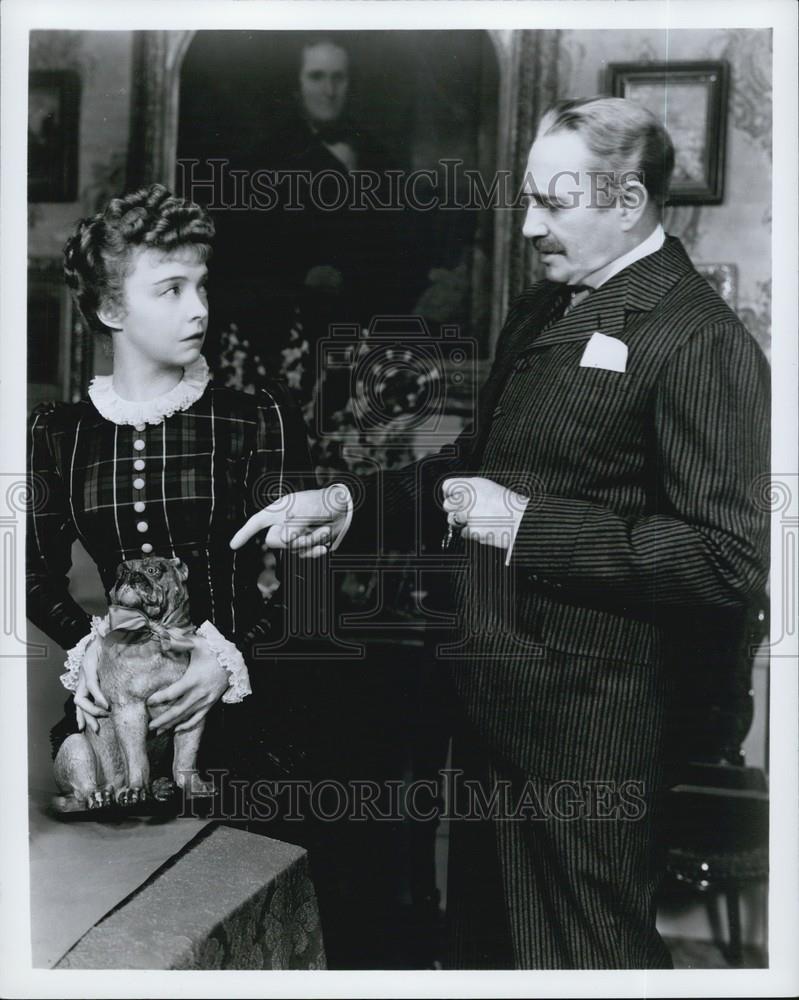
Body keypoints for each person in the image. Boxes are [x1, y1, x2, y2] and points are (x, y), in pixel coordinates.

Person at [231, 96, 770, 968]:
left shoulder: (699, 340)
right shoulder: (546, 309)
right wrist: (347, 504)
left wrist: (529, 527)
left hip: (590, 737)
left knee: (584, 965)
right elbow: (474, 467)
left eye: (553, 204)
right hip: (491, 710)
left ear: (628, 203)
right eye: (528, 198)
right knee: (487, 961)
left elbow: (727, 559)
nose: (527, 226)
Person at [26, 183, 323, 799]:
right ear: (111, 310)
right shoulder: (60, 434)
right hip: (120, 707)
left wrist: (229, 656)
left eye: (201, 285)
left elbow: (308, 576)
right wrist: (91, 652)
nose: (199, 309)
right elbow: (27, 573)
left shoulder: (258, 417)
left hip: (246, 715)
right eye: (170, 289)